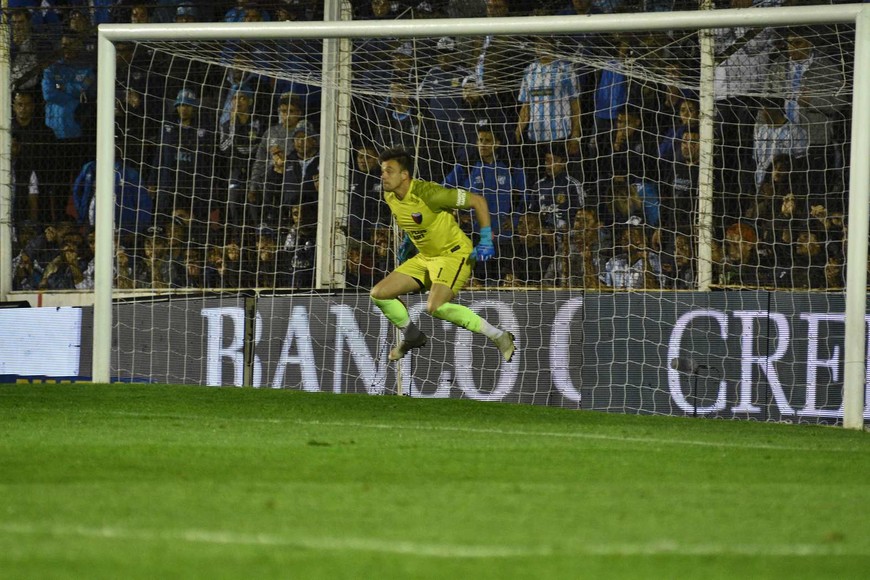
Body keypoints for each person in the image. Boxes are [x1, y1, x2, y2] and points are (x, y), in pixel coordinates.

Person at [370, 148, 516, 362]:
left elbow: (478, 201)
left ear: (404, 175)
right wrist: (408, 243)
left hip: (454, 254)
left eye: (389, 171)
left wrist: (485, 238)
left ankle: (500, 337)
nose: (383, 176)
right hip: (426, 257)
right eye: (382, 171)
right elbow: (418, 221)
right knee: (379, 293)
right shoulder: (390, 196)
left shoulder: (430, 194)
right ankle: (412, 336)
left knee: (435, 307)